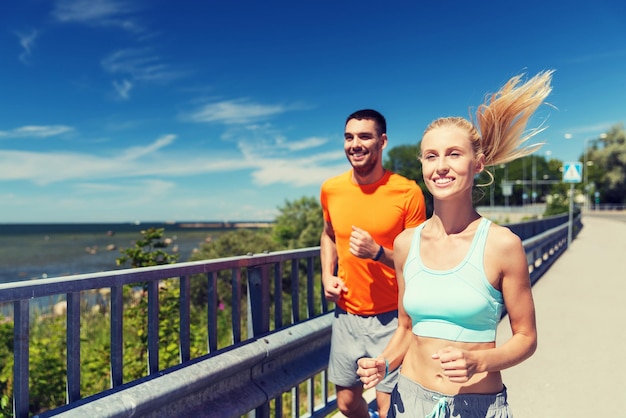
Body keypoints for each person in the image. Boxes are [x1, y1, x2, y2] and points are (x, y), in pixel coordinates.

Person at [356, 71, 554, 417]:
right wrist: (383, 364)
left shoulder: (501, 244)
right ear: (422, 165)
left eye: (453, 154)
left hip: (476, 406)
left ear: (477, 163)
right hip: (408, 402)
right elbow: (406, 329)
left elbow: (526, 337)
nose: (441, 166)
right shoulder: (405, 244)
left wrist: (480, 360)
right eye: (431, 156)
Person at [320, 109, 427, 418]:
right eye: (349, 137)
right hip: (347, 315)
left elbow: (418, 261)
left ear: (382, 142)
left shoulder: (407, 192)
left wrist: (379, 252)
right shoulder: (332, 189)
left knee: (387, 407)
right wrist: (327, 275)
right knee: (347, 404)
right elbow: (328, 235)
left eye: (365, 136)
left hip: (394, 318)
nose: (355, 144)